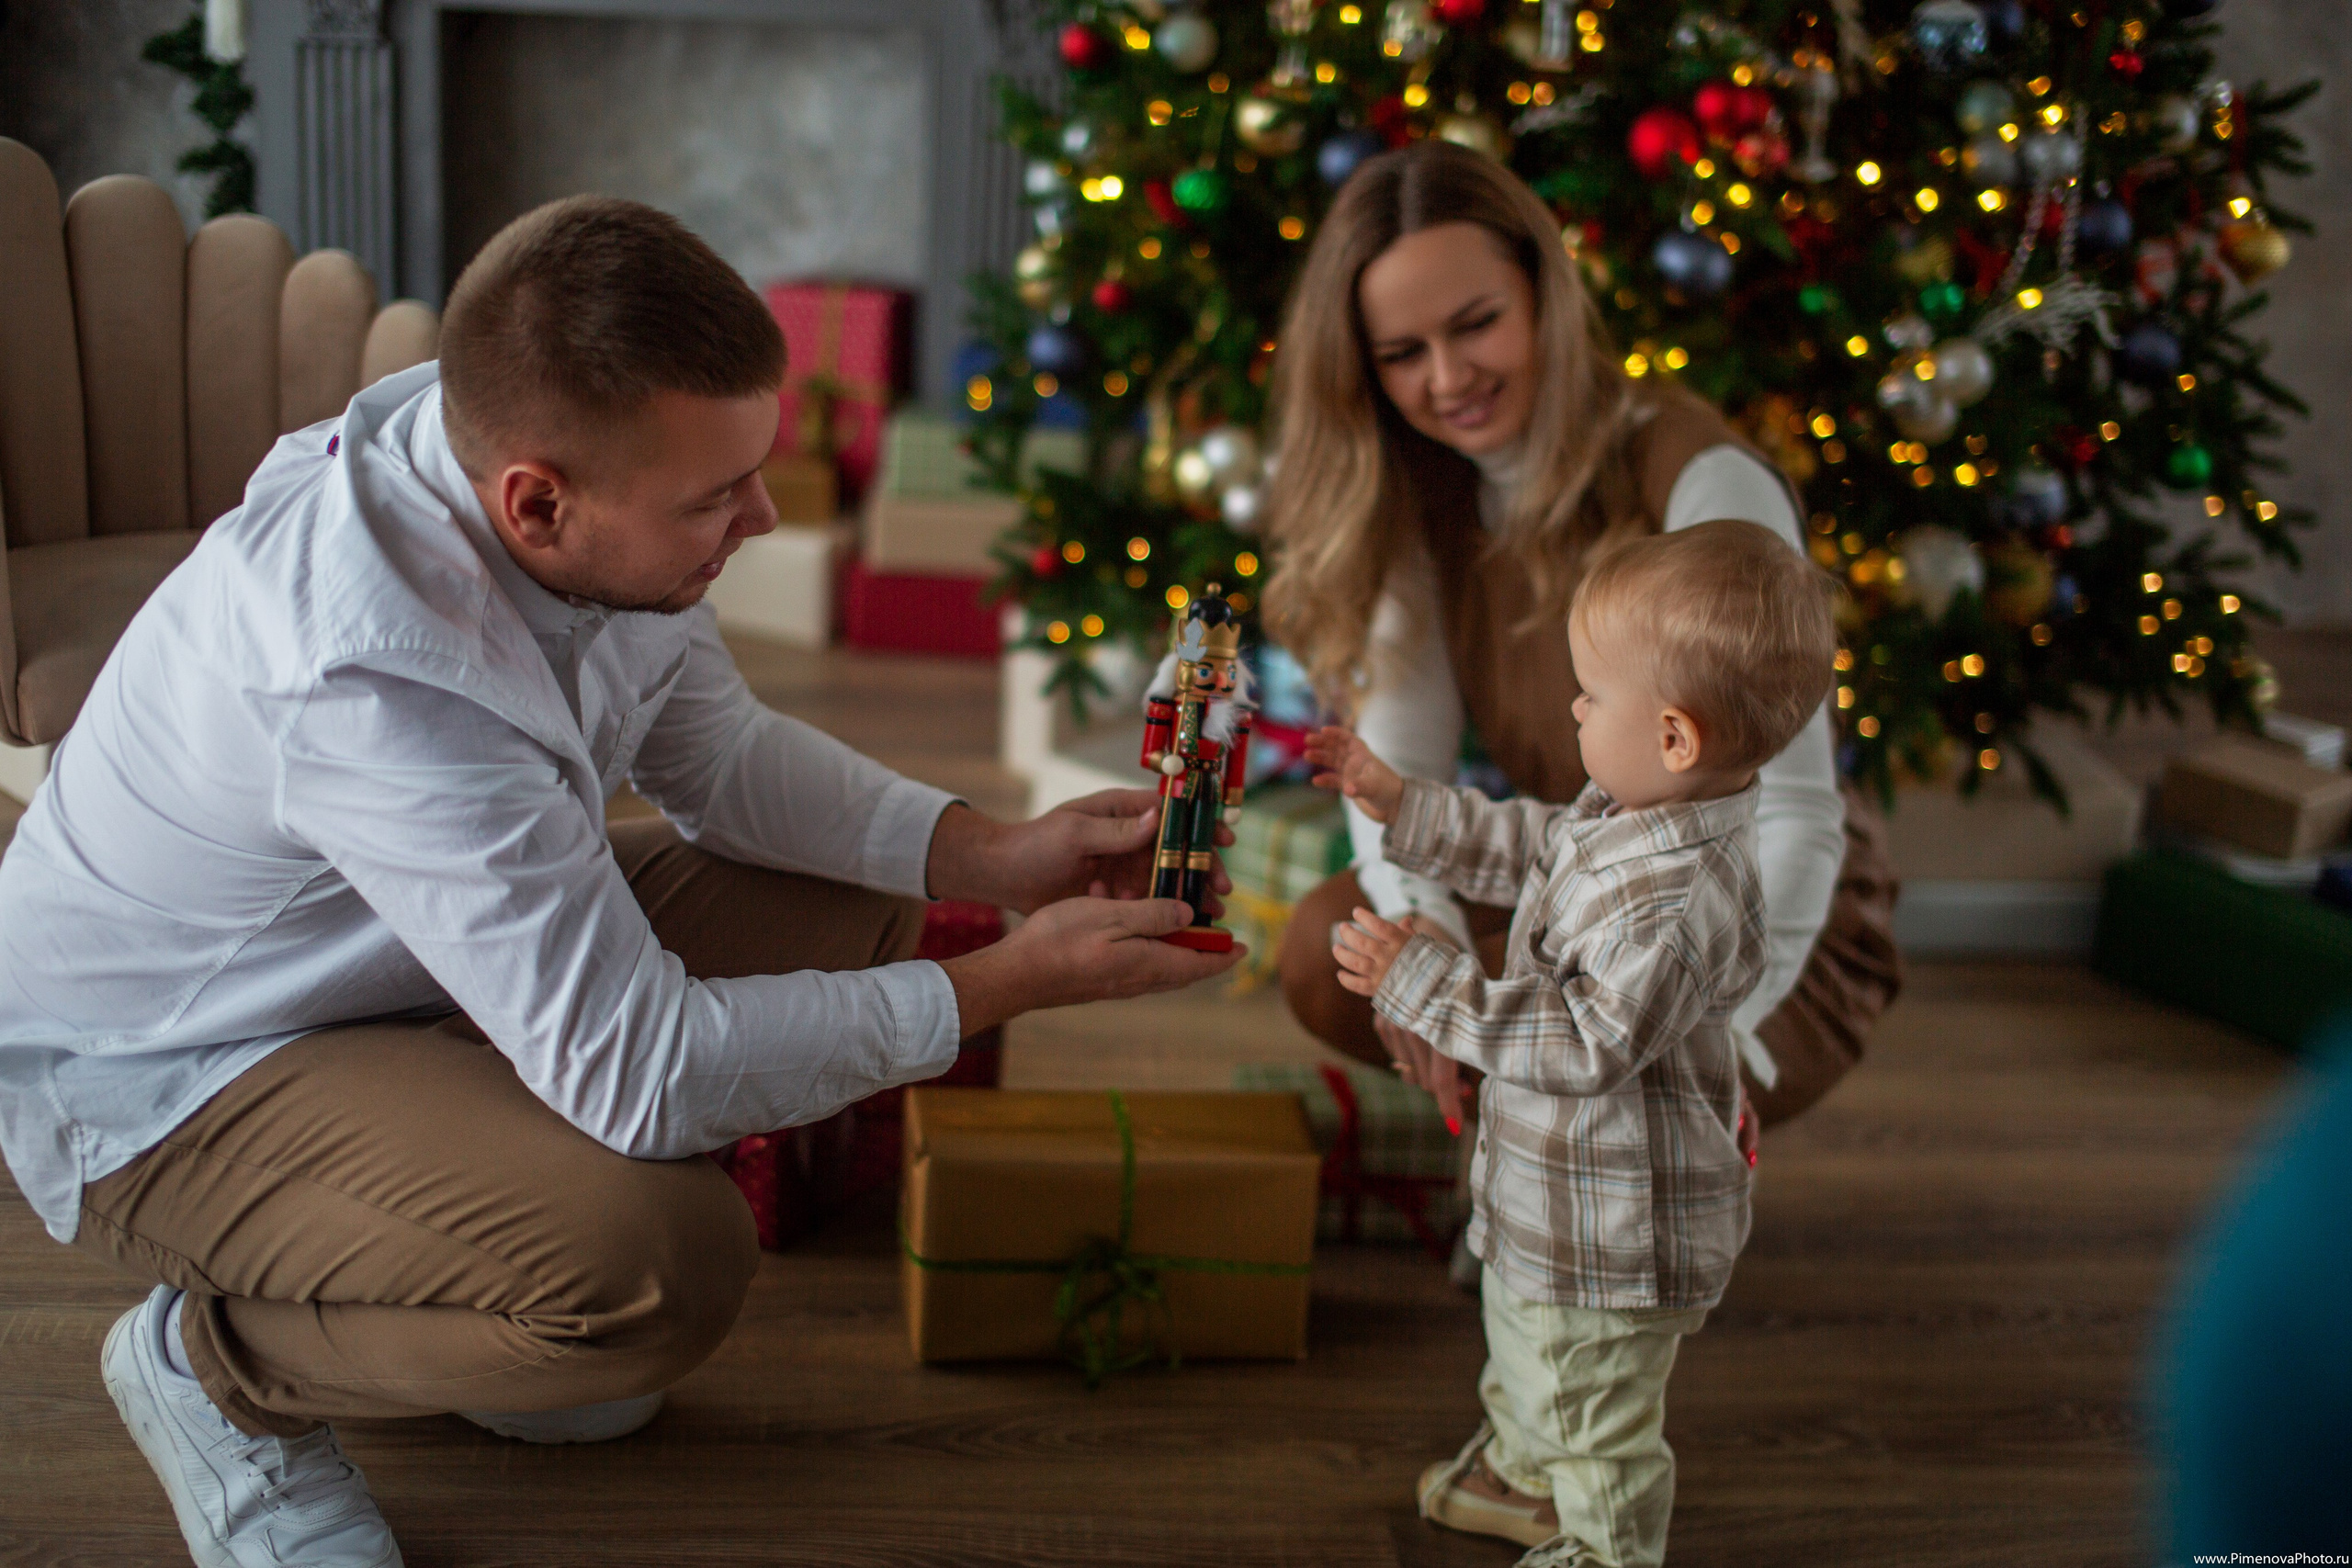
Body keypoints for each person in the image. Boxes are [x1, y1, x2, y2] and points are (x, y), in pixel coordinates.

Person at [0, 197, 1240, 1568]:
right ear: (536, 501)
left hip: (387, 964)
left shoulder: (548, 459)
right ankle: (214, 1365)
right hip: (172, 1066)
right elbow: (640, 1075)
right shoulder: (372, 673)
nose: (762, 519)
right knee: (658, 1268)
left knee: (857, 913)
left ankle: (437, 1255)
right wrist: (1013, 978)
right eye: (719, 498)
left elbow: (720, 757)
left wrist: (998, 853)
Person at [1262, 141, 1899, 1129]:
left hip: (1750, 902)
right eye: (1400, 353)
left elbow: (1795, 821)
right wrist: (1422, 953)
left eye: (1477, 324)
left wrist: (1700, 1035)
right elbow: (1402, 767)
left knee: (1624, 1064)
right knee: (1330, 948)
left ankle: (1605, 1203)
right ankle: (1531, 1182)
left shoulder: (1696, 478)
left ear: (1542, 296)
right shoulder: (1413, 493)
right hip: (1575, 869)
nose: (1448, 377)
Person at [1305, 518, 1838, 1568]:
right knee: (1523, 1346)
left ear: (1676, 736)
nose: (1574, 707)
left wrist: (1424, 983)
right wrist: (1401, 804)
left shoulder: (1680, 903)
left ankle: (1606, 1544)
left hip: (1618, 1231)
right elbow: (1528, 839)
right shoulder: (1633, 810)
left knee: (1594, 1409)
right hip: (1555, 1194)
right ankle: (1518, 1472)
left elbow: (1585, 1041)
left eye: (1592, 695)